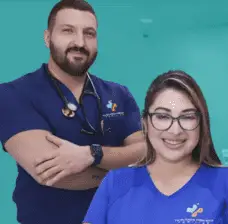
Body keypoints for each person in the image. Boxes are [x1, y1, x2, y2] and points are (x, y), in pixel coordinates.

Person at [0, 1, 146, 223]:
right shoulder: (13, 94)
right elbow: (49, 173)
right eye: (68, 31)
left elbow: (145, 150)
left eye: (89, 33)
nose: (80, 42)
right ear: (47, 37)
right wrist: (128, 173)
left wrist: (92, 154)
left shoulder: (118, 94)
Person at [82, 71, 228, 224]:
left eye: (187, 117)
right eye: (163, 116)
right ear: (145, 123)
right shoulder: (115, 182)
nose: (175, 130)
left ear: (201, 123)